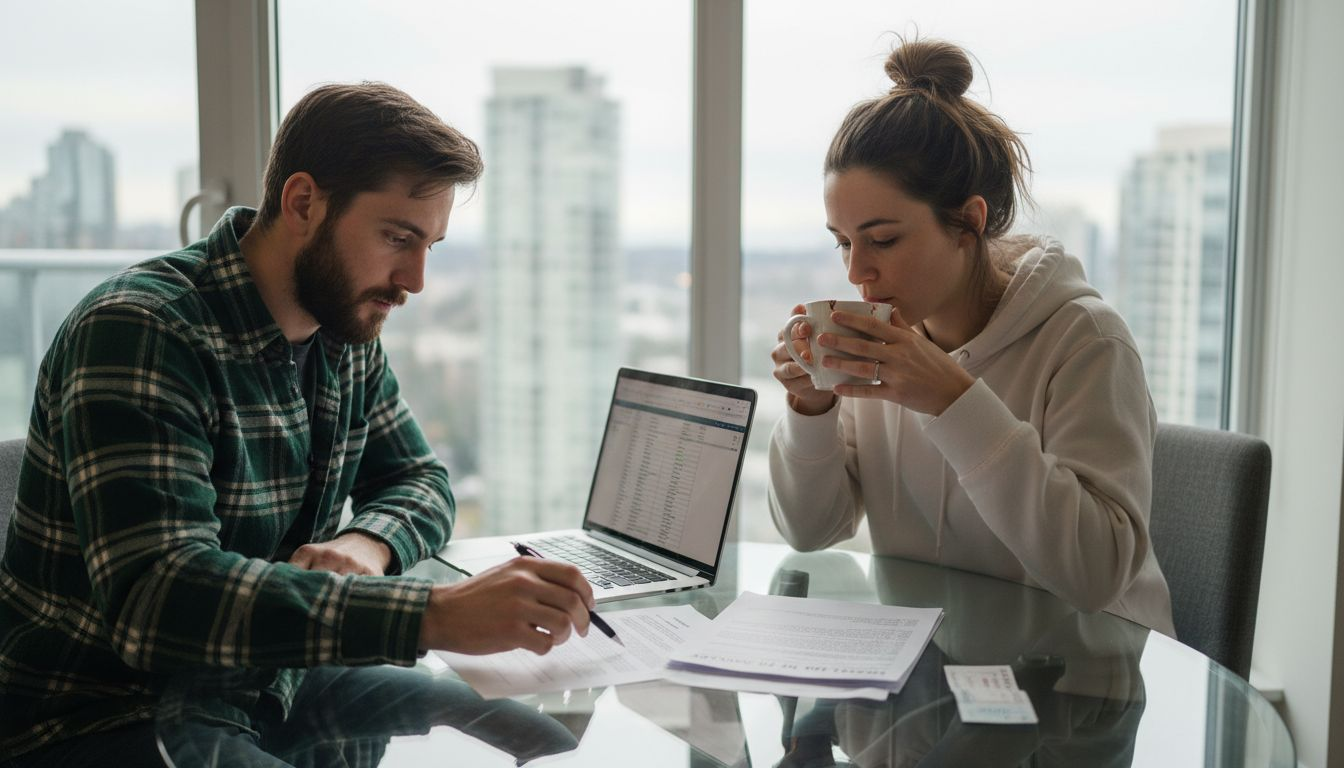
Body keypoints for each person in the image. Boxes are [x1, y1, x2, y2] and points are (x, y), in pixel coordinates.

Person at [0, 82, 595, 766]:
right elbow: (159, 599)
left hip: (272, 677)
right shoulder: (142, 330)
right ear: (305, 202)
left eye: (429, 244)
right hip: (106, 715)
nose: (416, 279)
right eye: (397, 237)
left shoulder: (344, 330)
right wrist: (437, 614)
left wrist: (369, 543)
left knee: (545, 743)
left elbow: (418, 479)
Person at [767, 38, 1174, 635]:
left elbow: (1097, 573)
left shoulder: (1086, 341)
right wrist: (811, 407)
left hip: (1076, 692)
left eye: (882, 240)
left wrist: (951, 401)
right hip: (925, 676)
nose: (857, 272)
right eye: (843, 241)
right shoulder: (883, 340)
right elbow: (810, 530)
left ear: (969, 222)